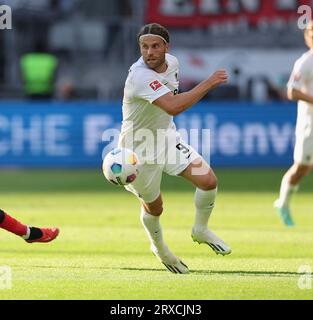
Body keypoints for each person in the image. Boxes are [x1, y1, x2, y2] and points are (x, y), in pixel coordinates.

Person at [118, 23, 231, 274]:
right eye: (144, 47)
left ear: (166, 47)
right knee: (155, 207)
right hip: (138, 150)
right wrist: (209, 82)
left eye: (155, 46)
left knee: (208, 180)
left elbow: (170, 107)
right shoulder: (140, 76)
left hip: (167, 138)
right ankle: (160, 249)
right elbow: (173, 106)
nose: (149, 52)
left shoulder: (174, 63)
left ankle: (200, 230)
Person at [274, 20, 313, 226]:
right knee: (302, 168)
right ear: (307, 37)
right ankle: (283, 202)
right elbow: (292, 91)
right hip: (310, 124)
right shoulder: (305, 62)